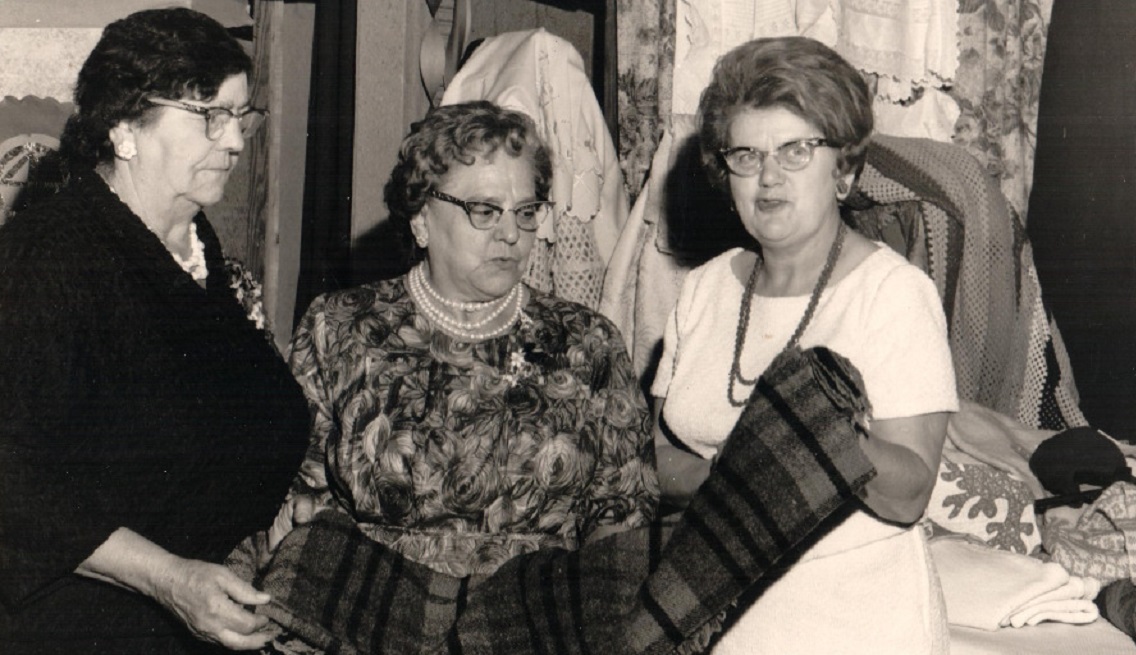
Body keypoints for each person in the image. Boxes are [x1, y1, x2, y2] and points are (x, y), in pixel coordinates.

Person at [0, 8, 307, 653]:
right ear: (124, 127)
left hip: (206, 606)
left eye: (241, 116)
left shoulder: (196, 246)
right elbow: (14, 482)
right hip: (82, 626)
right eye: (209, 116)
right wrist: (169, 580)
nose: (234, 141)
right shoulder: (50, 256)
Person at [258, 101, 656, 580]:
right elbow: (294, 498)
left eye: (526, 211)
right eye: (485, 211)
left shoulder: (587, 342)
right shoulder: (341, 327)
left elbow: (624, 516)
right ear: (422, 220)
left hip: (532, 617)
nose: (512, 234)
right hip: (369, 607)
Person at [650, 36, 958, 652]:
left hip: (851, 624)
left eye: (795, 150)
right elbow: (656, 458)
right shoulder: (705, 289)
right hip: (715, 611)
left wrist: (812, 445)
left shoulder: (893, 295)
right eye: (746, 155)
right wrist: (743, 481)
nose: (767, 177)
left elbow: (909, 494)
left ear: (843, 168)